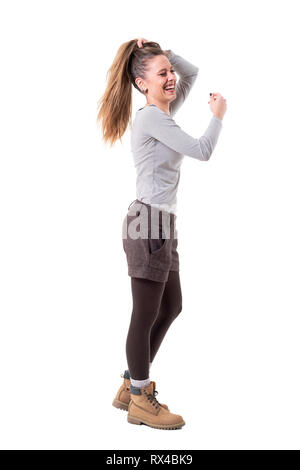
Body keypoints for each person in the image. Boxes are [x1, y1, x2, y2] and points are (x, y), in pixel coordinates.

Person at [97, 38, 227, 430]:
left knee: (171, 307)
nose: (172, 78)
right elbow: (203, 150)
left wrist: (164, 50)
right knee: (146, 313)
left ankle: (129, 386)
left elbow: (192, 74)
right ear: (142, 84)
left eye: (169, 71)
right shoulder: (153, 117)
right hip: (147, 222)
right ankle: (140, 398)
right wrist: (218, 115)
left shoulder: (163, 112)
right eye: (162, 74)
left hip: (161, 223)